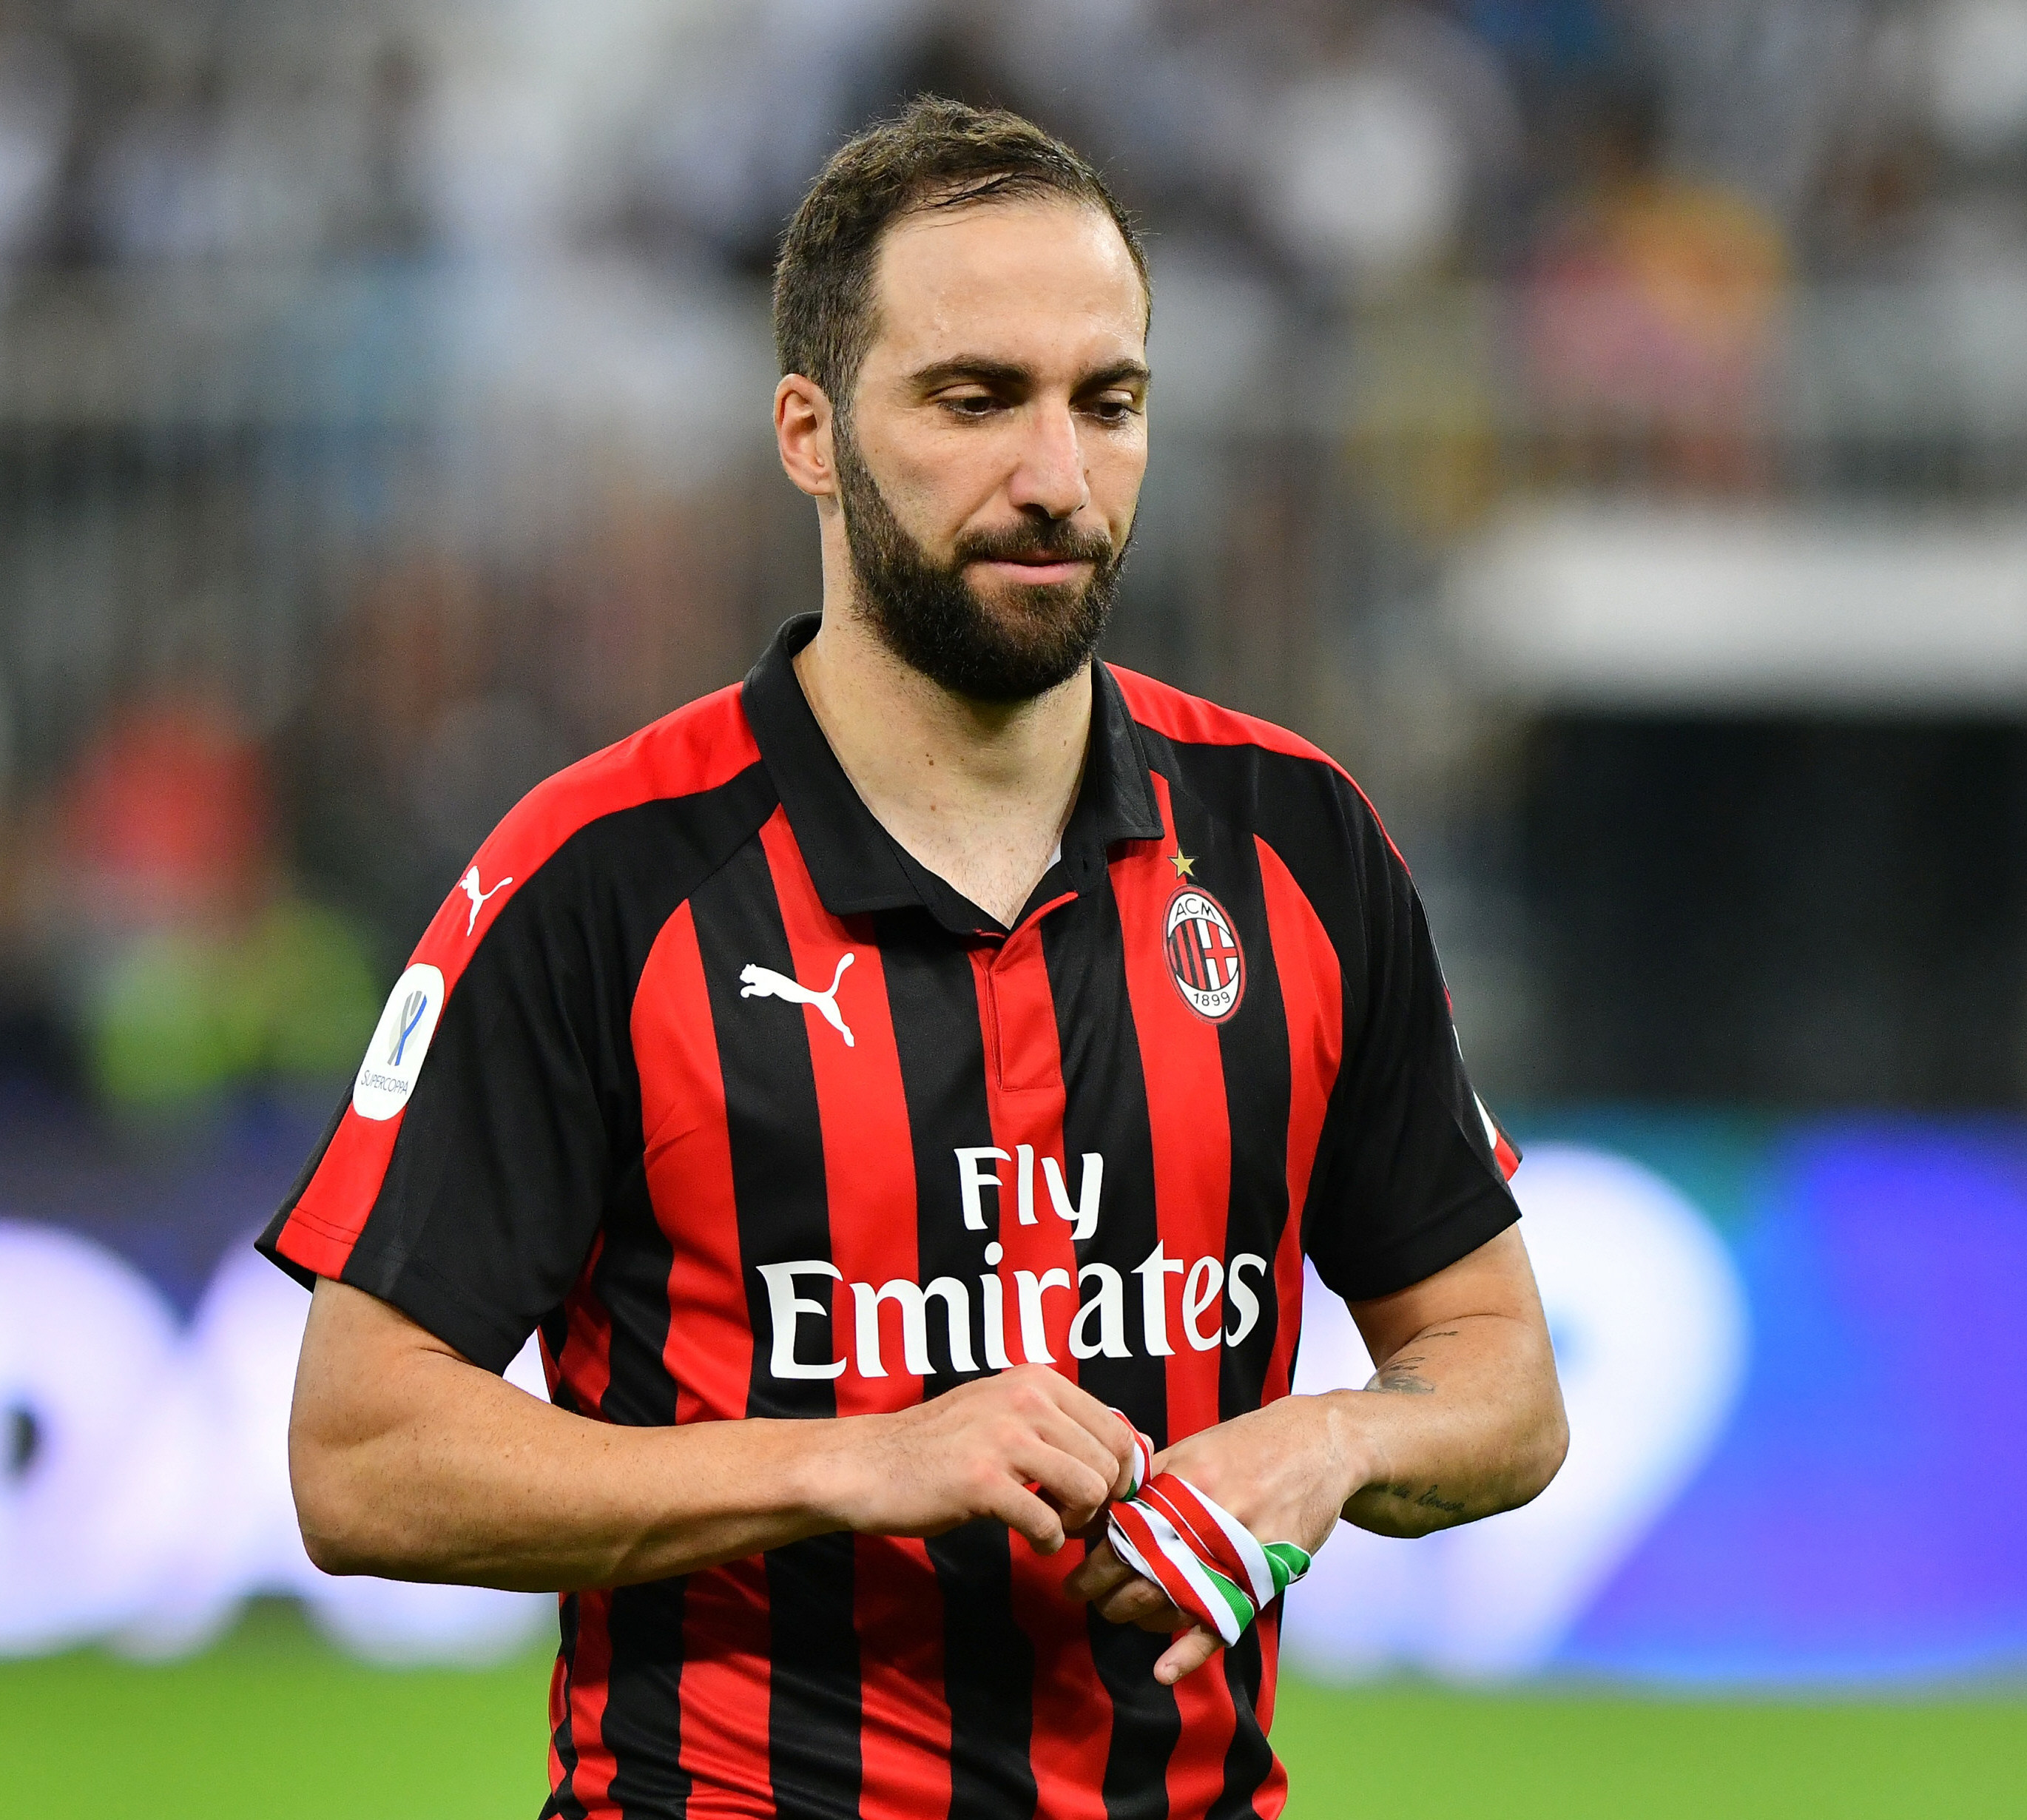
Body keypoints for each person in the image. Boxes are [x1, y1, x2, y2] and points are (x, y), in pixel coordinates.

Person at [263, 97, 1567, 1820]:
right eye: (973, 399)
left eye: (1106, 403)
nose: (1055, 477)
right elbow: (359, 1459)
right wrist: (855, 1462)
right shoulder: (601, 880)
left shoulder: (1294, 846)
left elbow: (1501, 1380)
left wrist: (1333, 1440)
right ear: (808, 434)